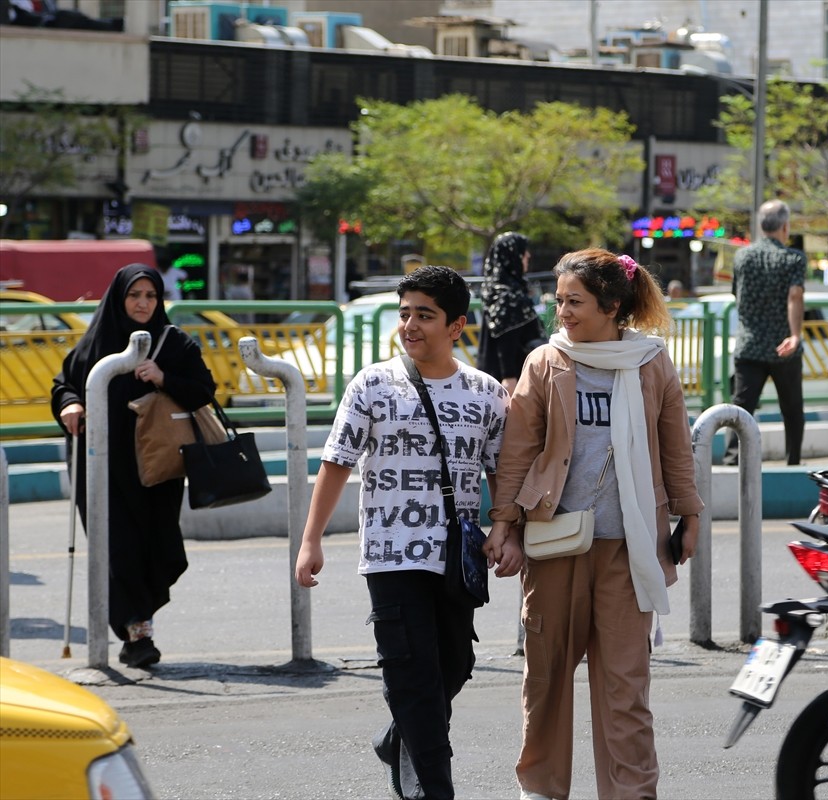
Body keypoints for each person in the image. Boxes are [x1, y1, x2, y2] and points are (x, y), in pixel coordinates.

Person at [485, 249, 702, 800]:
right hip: (553, 543)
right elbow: (517, 452)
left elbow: (676, 449)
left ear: (611, 305)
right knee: (546, 678)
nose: (562, 312)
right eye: (558, 300)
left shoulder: (651, 362)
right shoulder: (546, 361)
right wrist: (504, 524)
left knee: (625, 687)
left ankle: (631, 794)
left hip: (630, 551)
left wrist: (690, 514)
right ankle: (541, 789)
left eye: (574, 302)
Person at [294, 265, 512, 800]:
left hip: (456, 557)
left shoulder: (484, 392)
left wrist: (507, 529)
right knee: (412, 675)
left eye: (425, 315)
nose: (410, 325)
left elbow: (501, 471)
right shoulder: (372, 384)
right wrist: (311, 539)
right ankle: (436, 790)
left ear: (457, 325)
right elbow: (336, 462)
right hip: (390, 555)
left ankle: (398, 737)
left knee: (455, 666)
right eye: (405, 313)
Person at [51, 264, 217, 668]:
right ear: (119, 298)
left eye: (150, 296)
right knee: (117, 548)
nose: (143, 303)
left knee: (155, 549)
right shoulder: (95, 343)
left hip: (155, 469)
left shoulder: (175, 344)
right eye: (134, 295)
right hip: (102, 467)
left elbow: (203, 391)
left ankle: (136, 625)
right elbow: (64, 384)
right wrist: (70, 404)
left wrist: (163, 377)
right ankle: (138, 634)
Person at [723, 199, 807, 466]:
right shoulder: (793, 259)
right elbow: (795, 296)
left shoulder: (742, 256)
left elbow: (737, 294)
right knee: (792, 409)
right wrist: (794, 335)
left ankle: (731, 462)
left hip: (749, 344)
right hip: (784, 347)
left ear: (760, 226)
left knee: (741, 407)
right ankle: (793, 461)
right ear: (785, 226)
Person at [478, 231, 545, 394]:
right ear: (511, 256)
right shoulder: (508, 296)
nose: (527, 255)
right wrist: (509, 377)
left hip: (501, 377)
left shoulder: (498, 290)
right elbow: (506, 339)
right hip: (513, 382)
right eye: (522, 251)